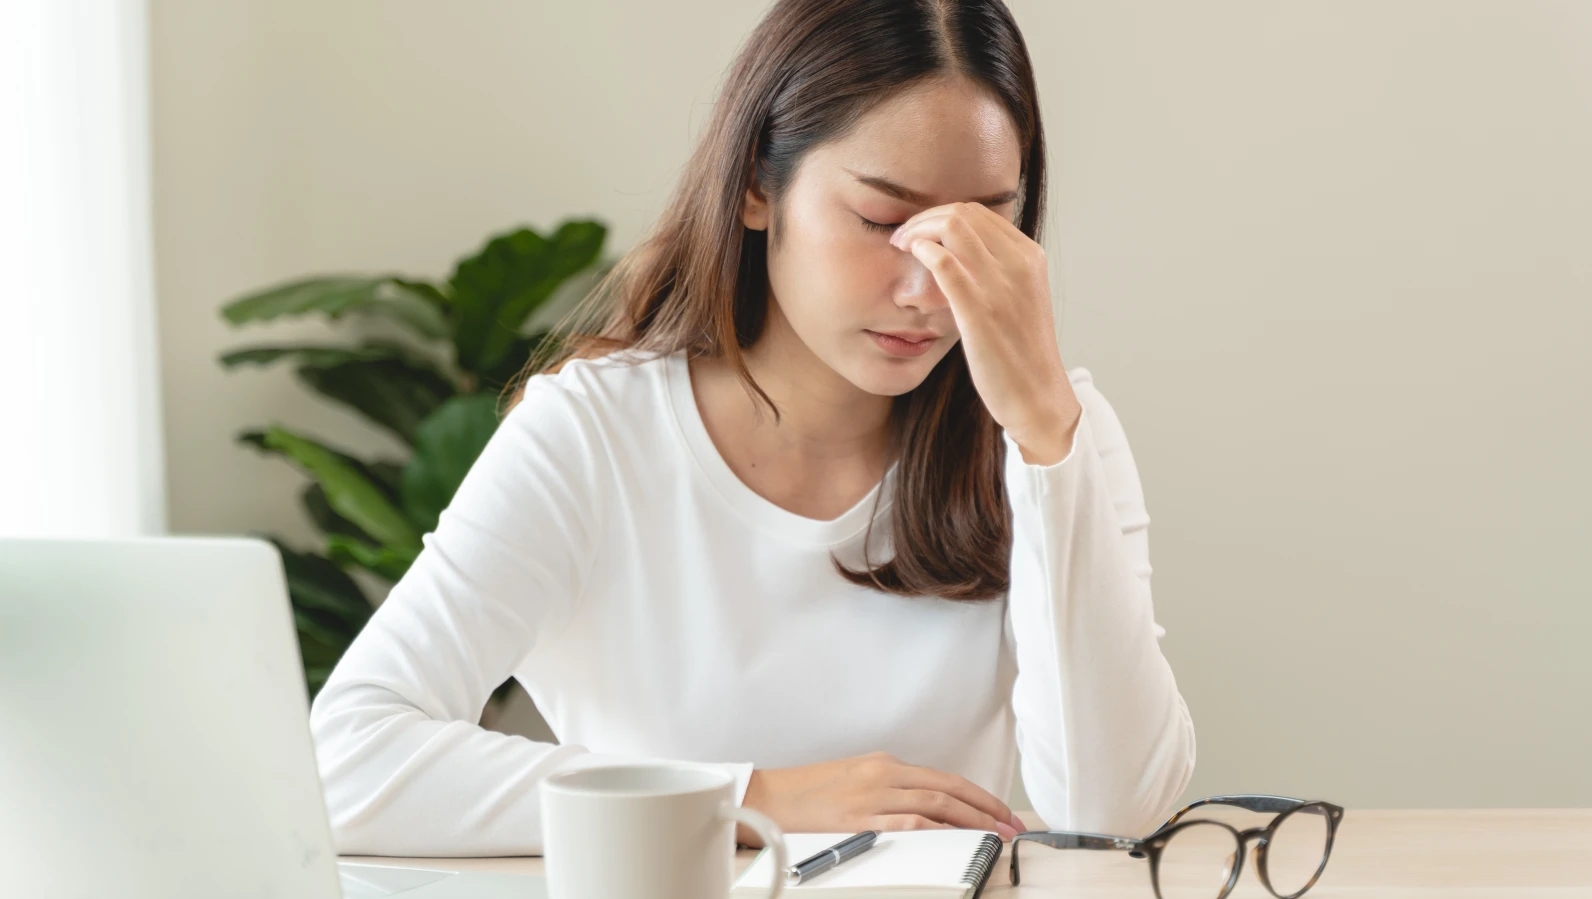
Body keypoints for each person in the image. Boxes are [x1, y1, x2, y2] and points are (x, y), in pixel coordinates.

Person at [308, 0, 1195, 857]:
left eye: (981, 230)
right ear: (755, 189)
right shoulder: (595, 434)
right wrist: (752, 797)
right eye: (883, 221)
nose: (929, 288)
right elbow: (344, 758)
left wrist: (1043, 431)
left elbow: (1110, 810)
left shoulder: (1053, 434)